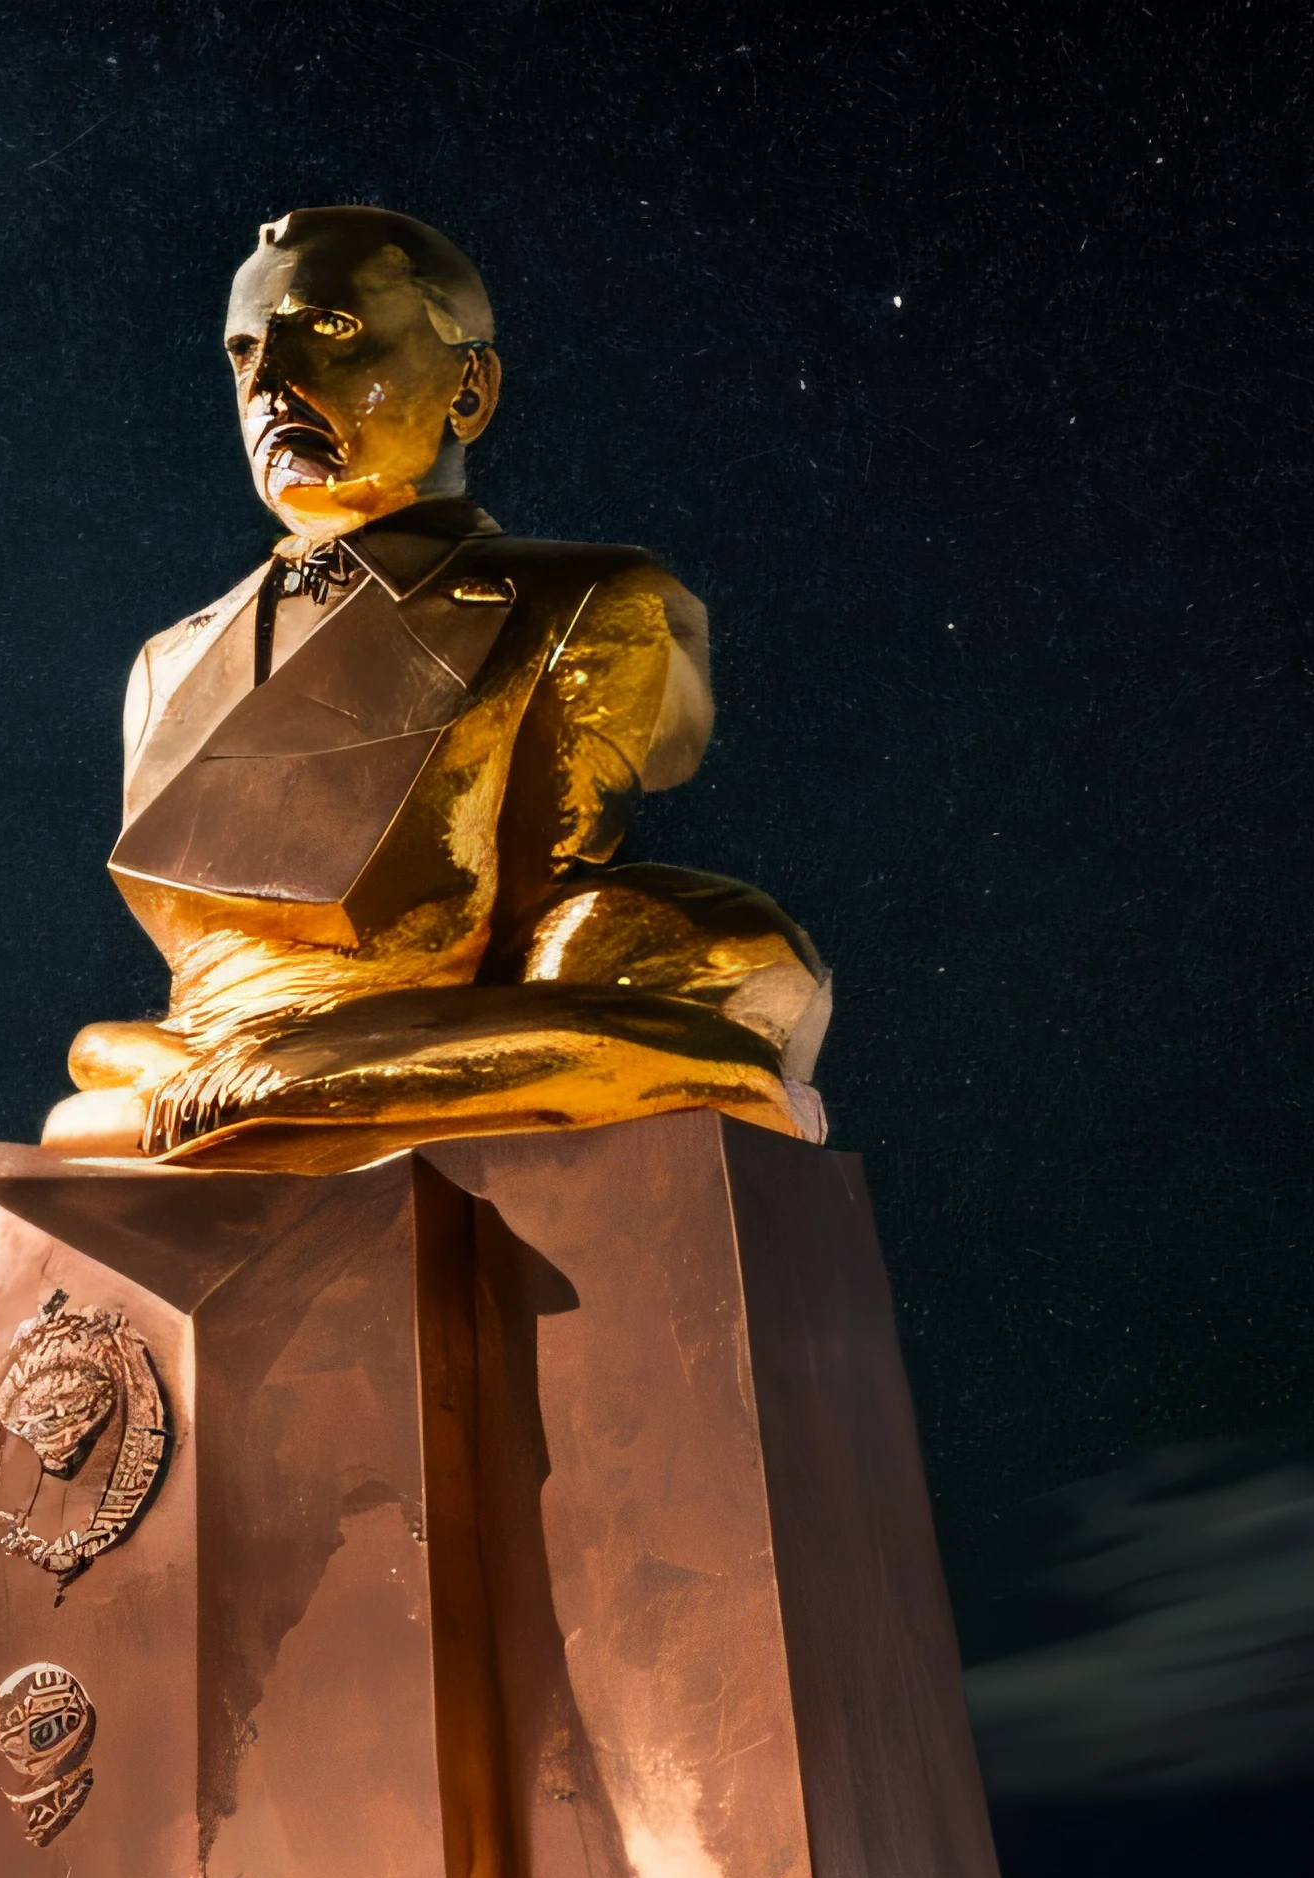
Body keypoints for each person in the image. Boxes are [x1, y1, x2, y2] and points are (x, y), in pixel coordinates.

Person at [44, 206, 834, 1166]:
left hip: (441, 1025)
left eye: (328, 330)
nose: (267, 381)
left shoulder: (598, 598)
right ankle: (288, 1099)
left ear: (471, 388)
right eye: (245, 348)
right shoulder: (165, 659)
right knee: (96, 1088)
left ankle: (306, 1097)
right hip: (194, 1055)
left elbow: (539, 926)